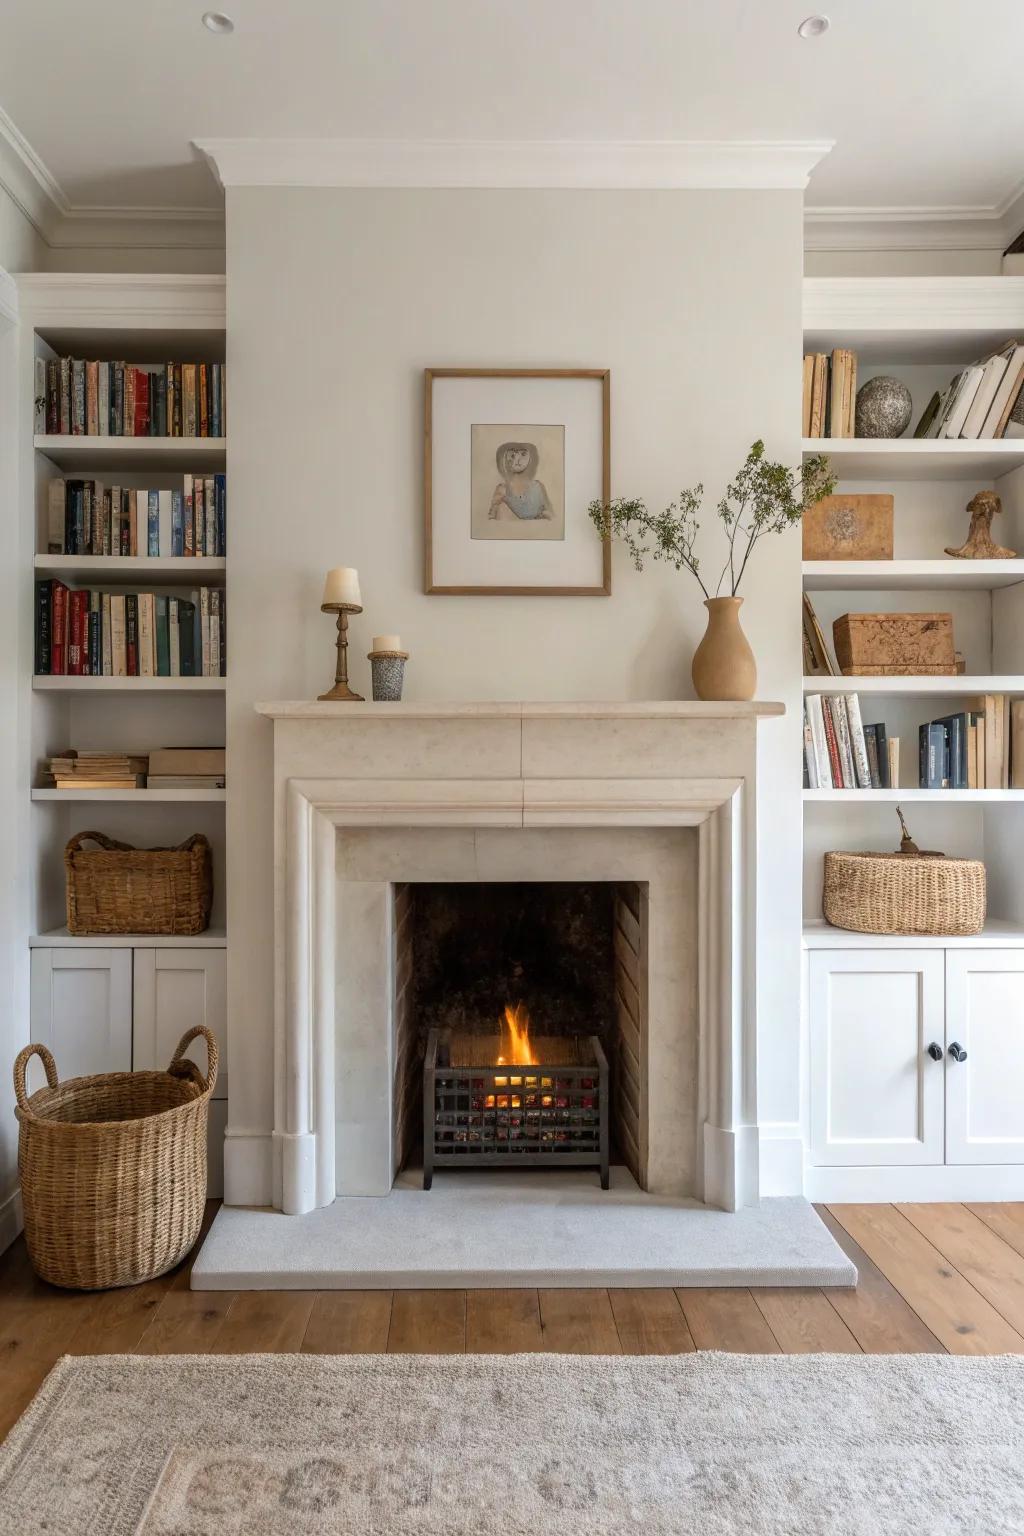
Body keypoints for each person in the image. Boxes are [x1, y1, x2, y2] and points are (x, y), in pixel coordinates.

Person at [489, 441, 553, 521]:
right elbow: (492, 519)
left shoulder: (538, 487)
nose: (517, 459)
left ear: (531, 458)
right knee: (502, 509)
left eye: (523, 454)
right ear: (505, 458)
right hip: (509, 531)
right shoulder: (502, 489)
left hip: (534, 531)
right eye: (512, 455)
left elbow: (550, 515)